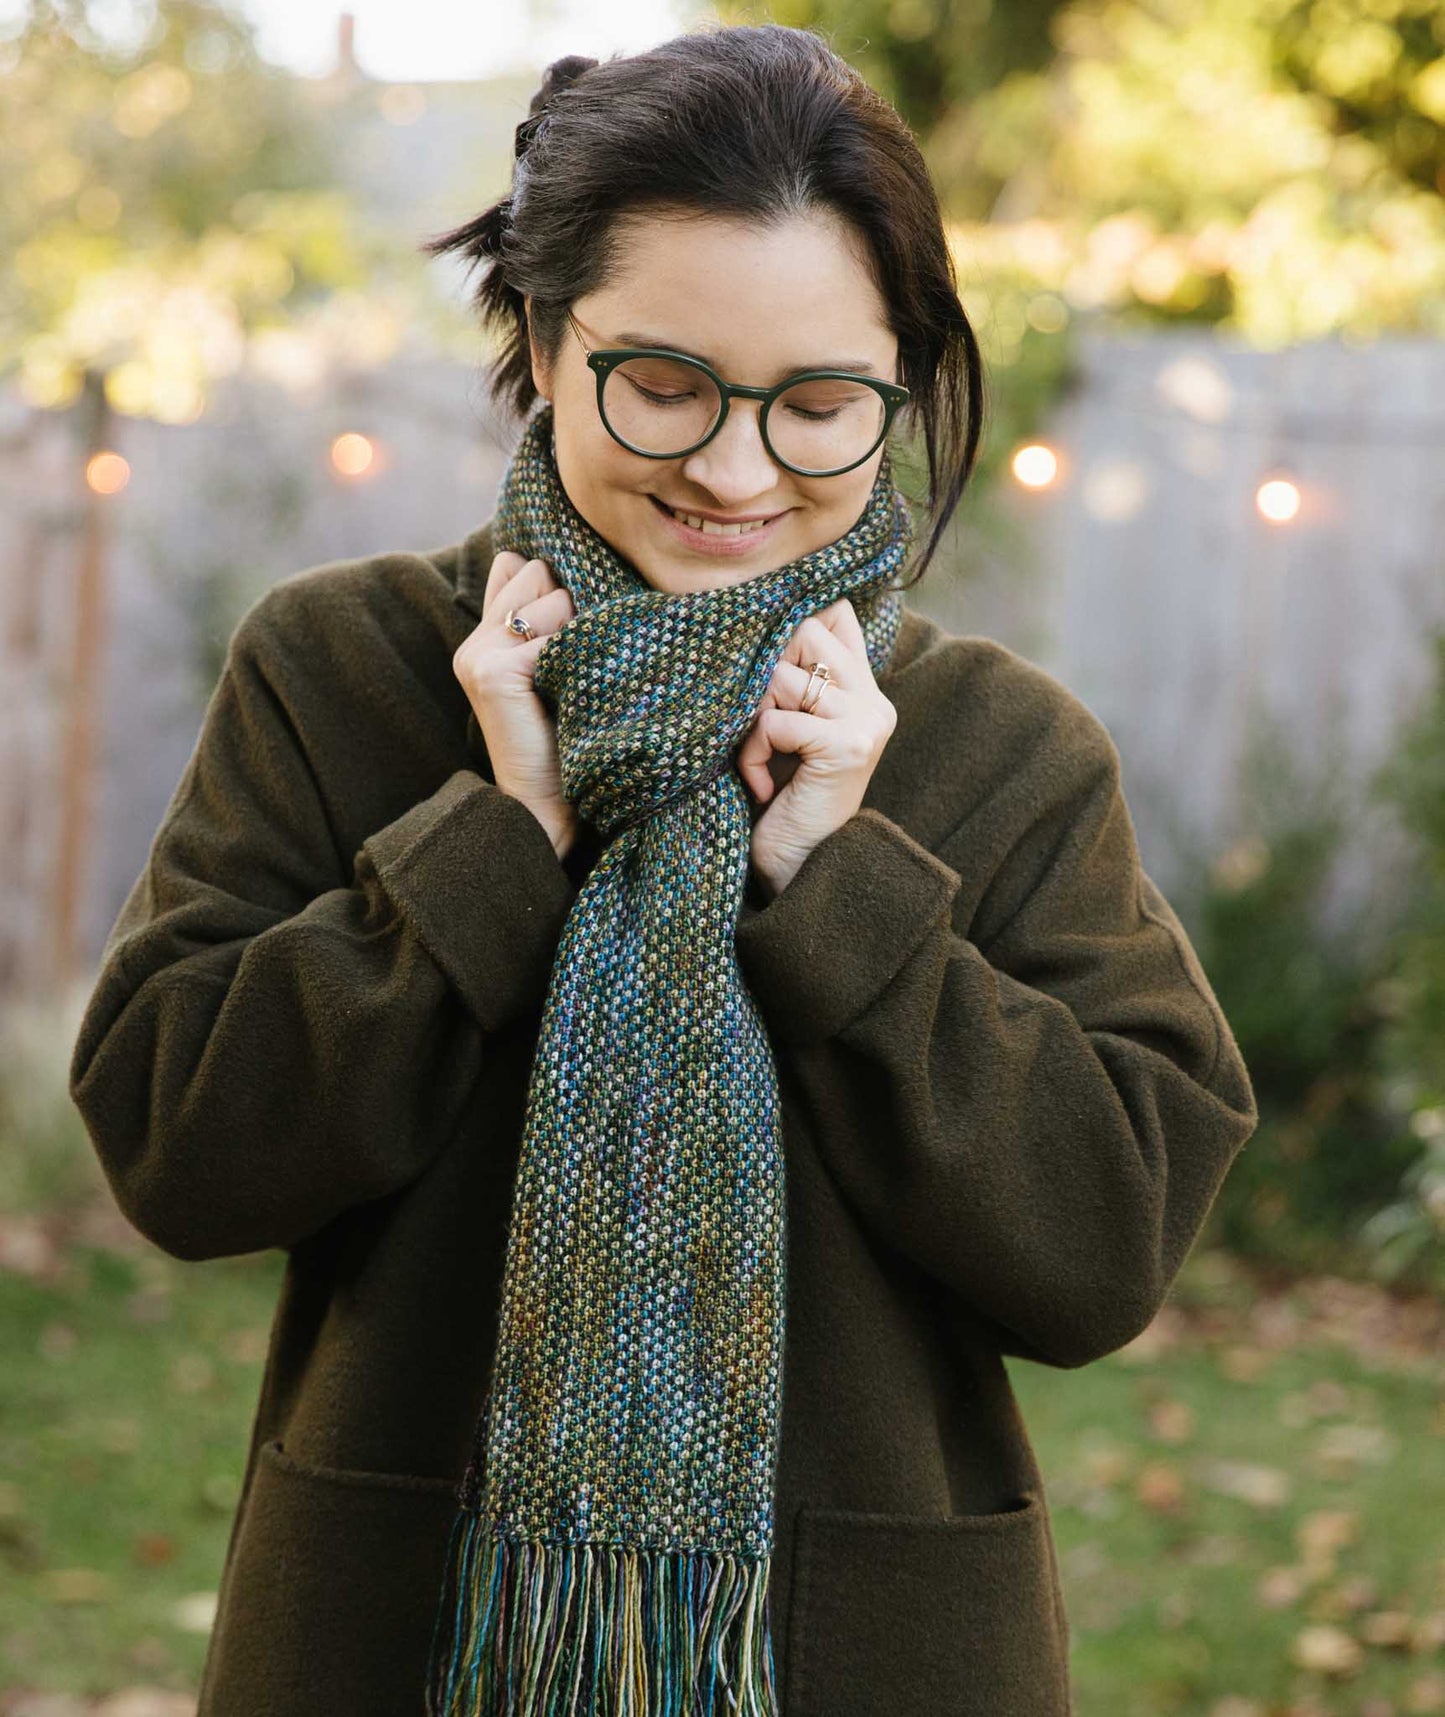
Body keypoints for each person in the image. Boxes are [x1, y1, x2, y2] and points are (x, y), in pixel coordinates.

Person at [68, 23, 1258, 1717]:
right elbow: (180, 1146)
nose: (731, 466)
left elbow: (1101, 1247)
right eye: (666, 380)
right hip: (396, 1642)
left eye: (818, 402)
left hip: (872, 1655)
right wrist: (500, 841)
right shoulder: (348, 671)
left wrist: (840, 883)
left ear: (898, 386)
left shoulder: (995, 748)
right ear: (545, 339)